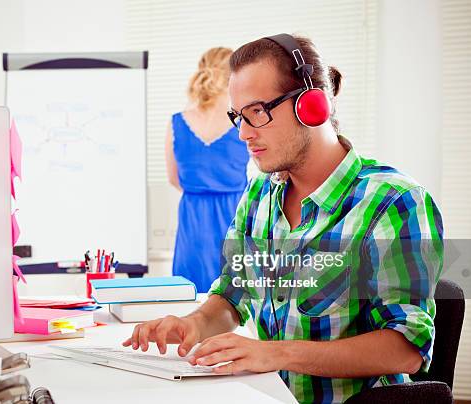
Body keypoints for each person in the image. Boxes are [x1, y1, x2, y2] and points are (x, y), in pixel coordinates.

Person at [125, 34, 442, 403]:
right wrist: (194, 324)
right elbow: (232, 294)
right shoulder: (260, 195)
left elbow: (405, 348)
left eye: (257, 112)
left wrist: (276, 352)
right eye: (238, 116)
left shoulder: (392, 201)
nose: (242, 133)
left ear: (312, 106)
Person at [165, 47, 249, 293]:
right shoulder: (244, 122)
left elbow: (174, 178)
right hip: (235, 214)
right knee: (234, 298)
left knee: (191, 299)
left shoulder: (177, 121)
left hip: (193, 217)